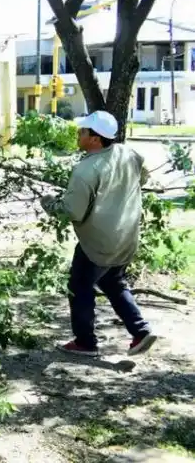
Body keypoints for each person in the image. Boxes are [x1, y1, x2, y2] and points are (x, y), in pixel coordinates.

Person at [41, 110, 157, 357]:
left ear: (95, 138)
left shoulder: (86, 170)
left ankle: (85, 342)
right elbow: (143, 177)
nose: (78, 134)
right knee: (112, 281)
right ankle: (141, 331)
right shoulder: (128, 153)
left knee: (79, 287)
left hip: (98, 243)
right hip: (126, 237)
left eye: (82, 131)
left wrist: (49, 202)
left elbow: (73, 211)